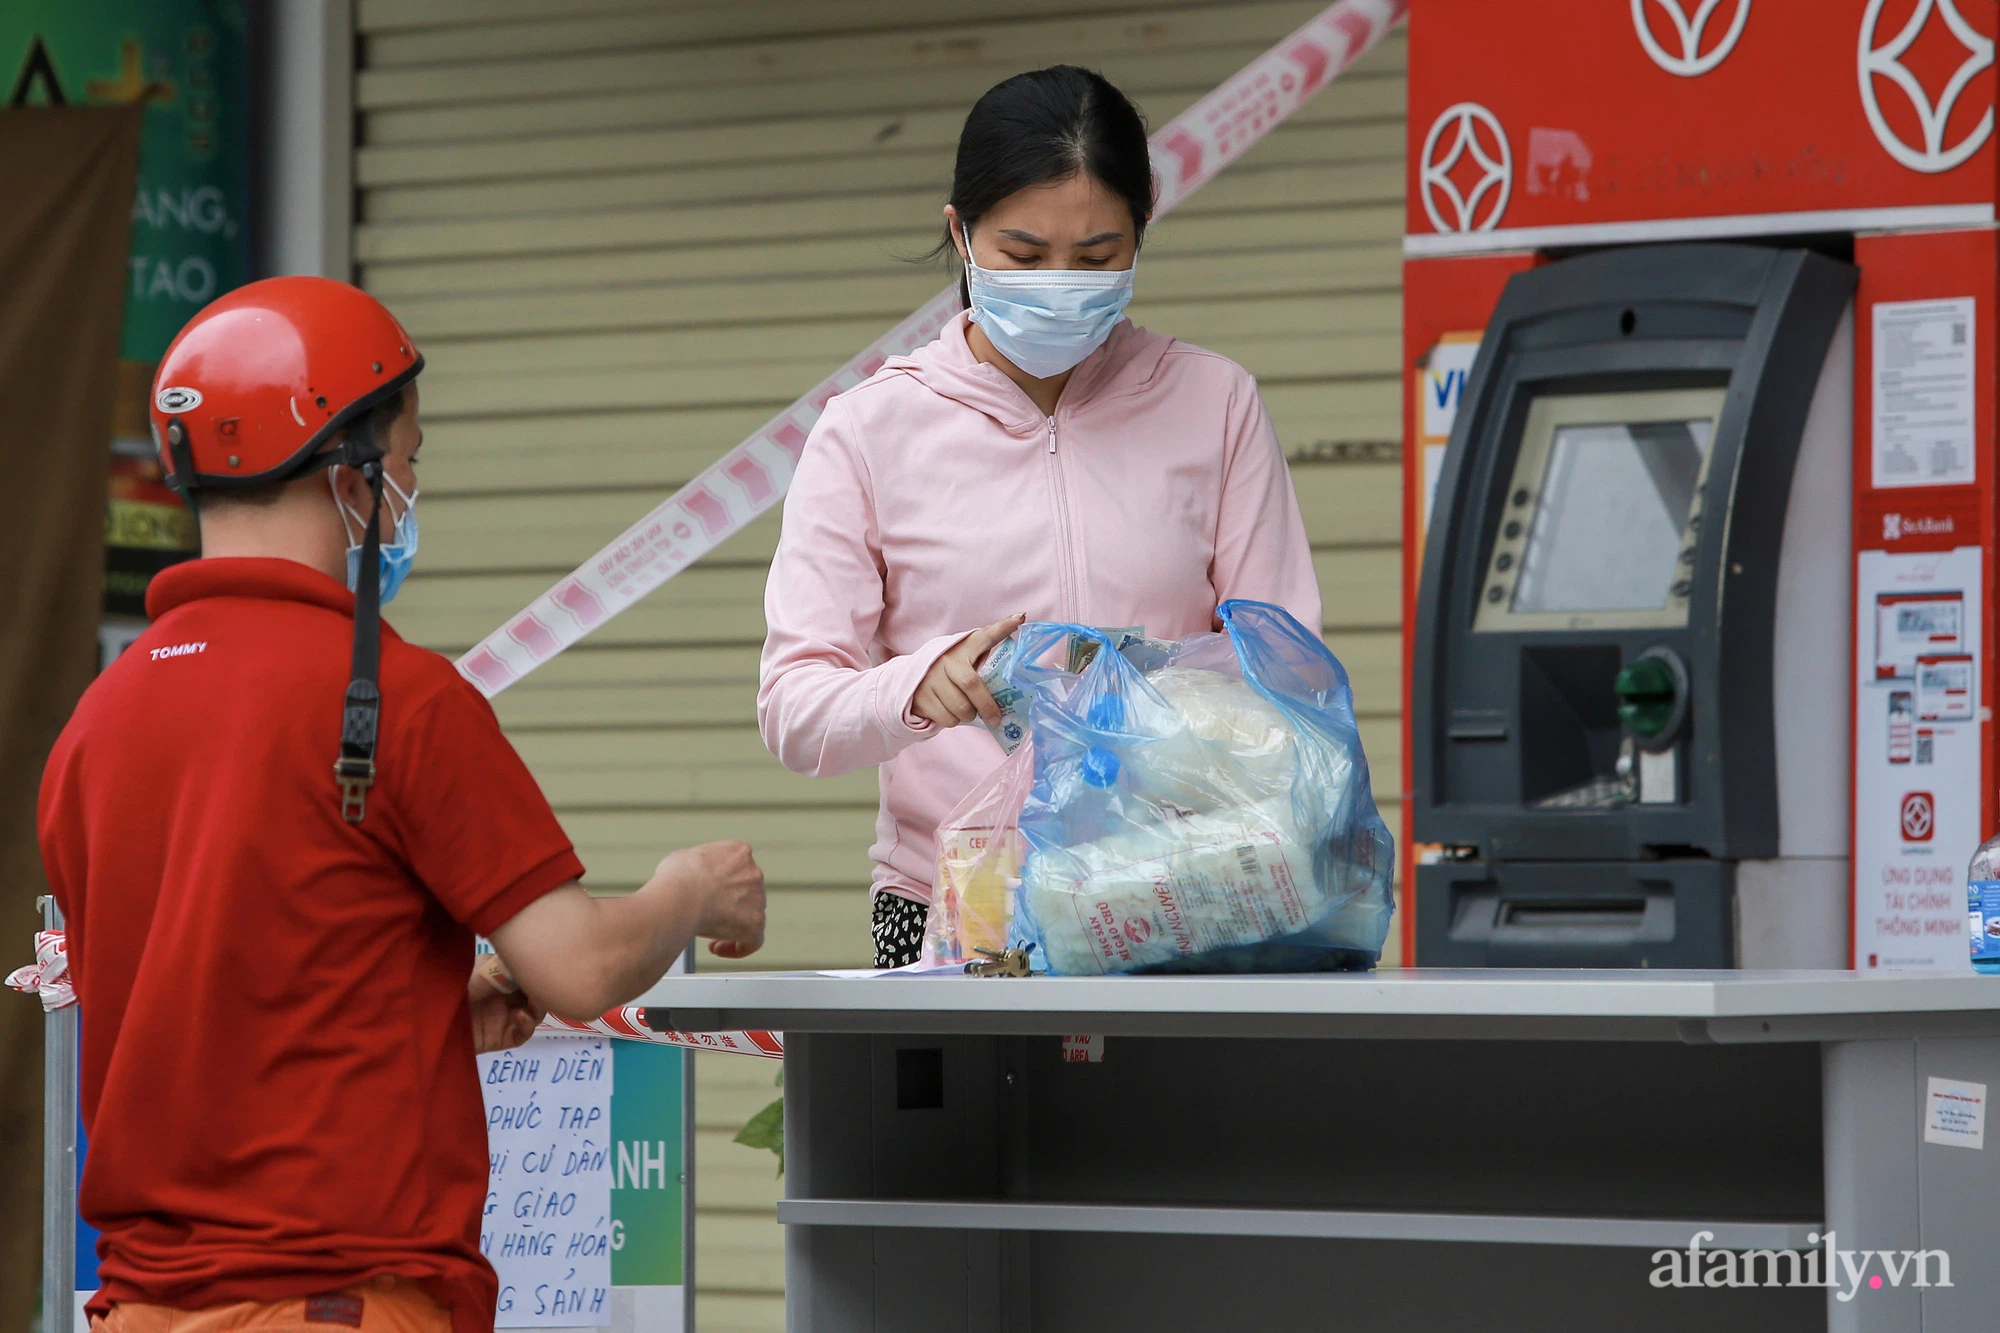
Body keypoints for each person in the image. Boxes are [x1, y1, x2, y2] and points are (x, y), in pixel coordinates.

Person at [38, 277, 766, 1333]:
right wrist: (690, 887)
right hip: (339, 1306)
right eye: (410, 459)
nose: (412, 488)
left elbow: (211, 1001)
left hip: (142, 1309)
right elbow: (580, 968)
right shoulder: (398, 697)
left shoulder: (95, 726)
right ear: (352, 470)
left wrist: (417, 1012)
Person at [758, 66, 1321, 968]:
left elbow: (1289, 668)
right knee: (966, 1119)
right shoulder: (868, 430)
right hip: (952, 904)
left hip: (1172, 892)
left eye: (1097, 256)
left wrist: (1163, 710)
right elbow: (793, 709)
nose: (1062, 283)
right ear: (961, 234)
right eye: (1024, 255)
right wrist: (915, 687)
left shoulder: (1215, 403)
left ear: (1142, 236)